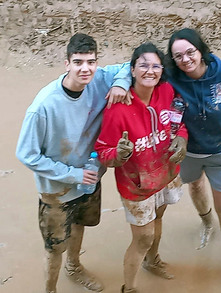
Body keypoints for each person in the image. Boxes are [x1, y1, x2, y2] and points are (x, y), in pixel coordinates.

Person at [16, 33, 131, 293]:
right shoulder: (43, 106)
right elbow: (27, 154)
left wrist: (121, 84)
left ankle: (74, 266)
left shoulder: (100, 78)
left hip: (90, 177)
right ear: (66, 63)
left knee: (80, 224)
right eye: (78, 62)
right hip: (56, 187)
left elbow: (129, 65)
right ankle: (50, 289)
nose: (85, 68)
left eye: (91, 62)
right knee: (54, 246)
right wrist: (72, 175)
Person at [94, 42, 188, 293]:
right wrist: (119, 154)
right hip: (136, 186)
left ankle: (152, 260)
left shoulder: (167, 91)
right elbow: (103, 152)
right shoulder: (117, 108)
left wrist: (182, 138)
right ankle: (130, 288)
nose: (150, 71)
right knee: (143, 237)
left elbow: (178, 123)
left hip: (165, 174)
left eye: (156, 65)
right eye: (143, 65)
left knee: (159, 218)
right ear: (132, 70)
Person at [166, 28, 221, 290]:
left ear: (201, 50)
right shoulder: (169, 77)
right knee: (194, 184)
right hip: (187, 151)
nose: (186, 59)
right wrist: (122, 84)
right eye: (178, 56)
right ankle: (205, 220)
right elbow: (136, 67)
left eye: (190, 52)